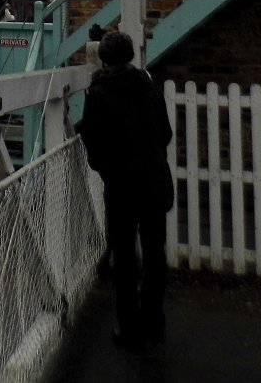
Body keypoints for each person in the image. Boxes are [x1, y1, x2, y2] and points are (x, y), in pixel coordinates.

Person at [77, 30, 174, 354]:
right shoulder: (149, 86)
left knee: (125, 257)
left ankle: (129, 325)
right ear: (131, 55)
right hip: (153, 180)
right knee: (155, 253)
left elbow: (93, 137)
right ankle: (154, 321)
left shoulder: (99, 91)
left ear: (104, 57)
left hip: (120, 185)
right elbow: (165, 132)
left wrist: (103, 166)